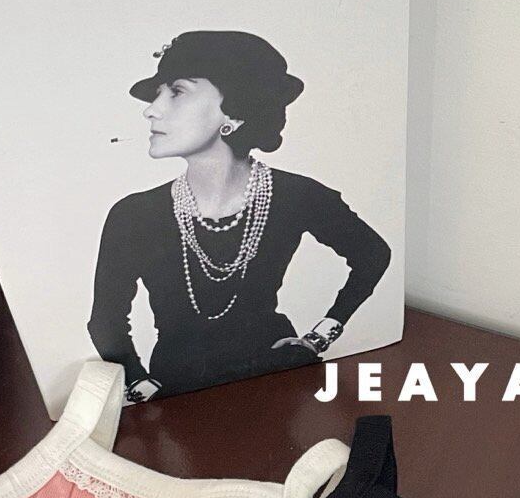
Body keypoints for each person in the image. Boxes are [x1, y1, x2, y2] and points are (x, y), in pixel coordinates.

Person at [88, 30, 392, 400]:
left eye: (177, 91)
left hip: (277, 379)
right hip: (179, 391)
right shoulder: (135, 215)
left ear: (234, 111)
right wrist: (139, 383)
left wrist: (320, 335)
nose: (151, 109)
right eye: (157, 94)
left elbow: (373, 254)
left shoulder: (296, 195)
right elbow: (105, 320)